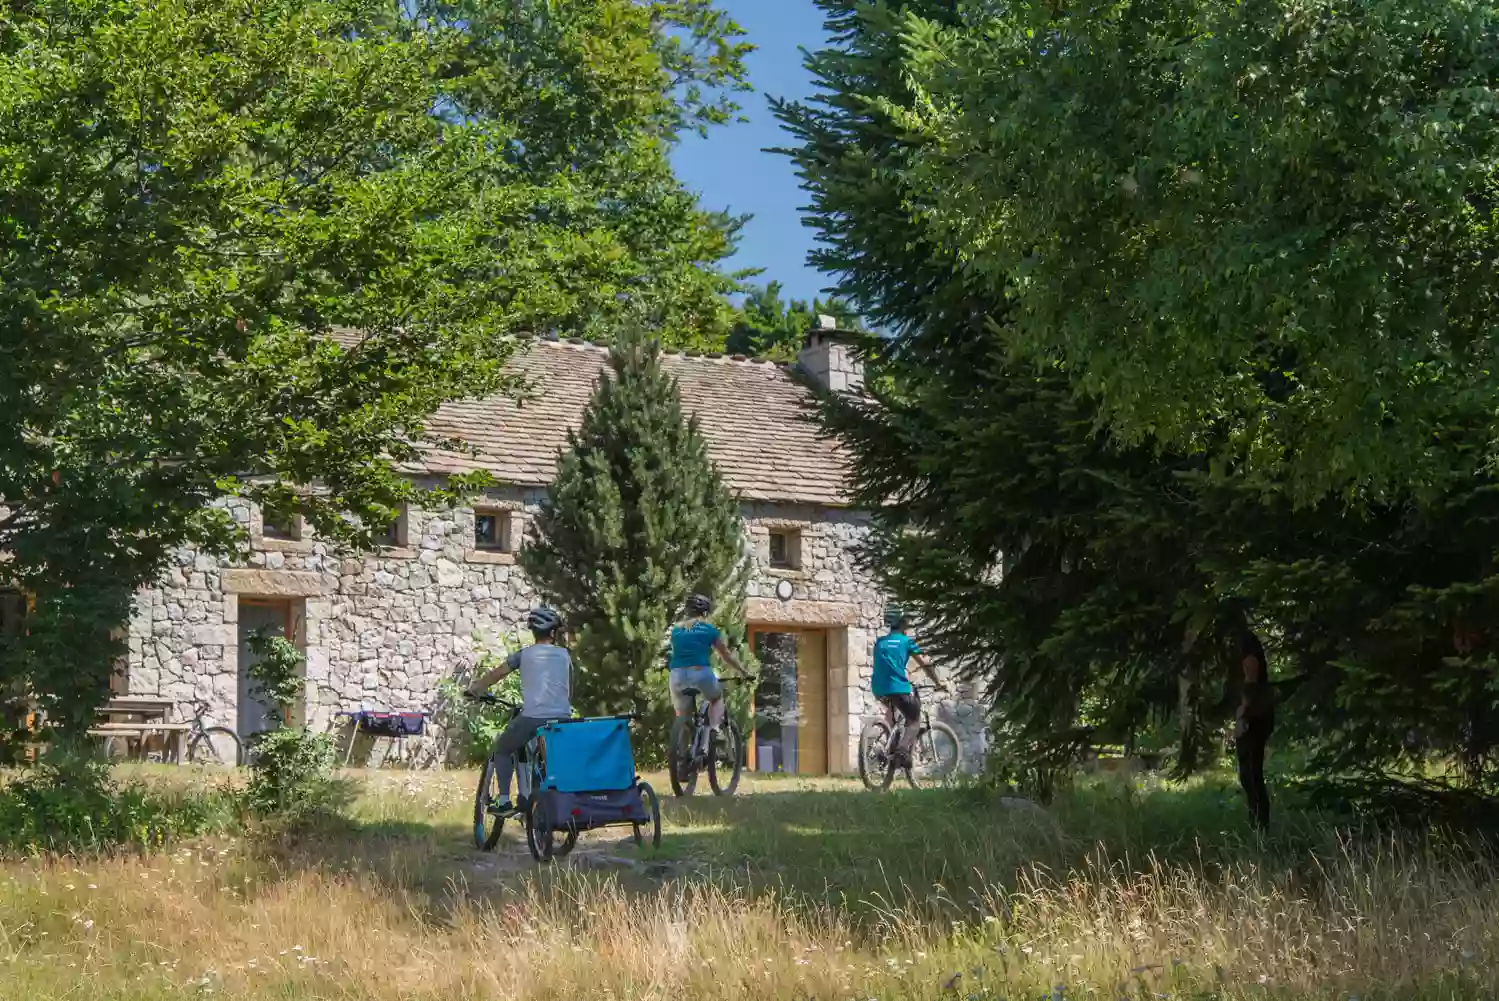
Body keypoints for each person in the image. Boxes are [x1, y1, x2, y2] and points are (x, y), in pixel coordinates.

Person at [465, 606, 572, 812]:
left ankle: (504, 800)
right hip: (562, 718)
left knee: (502, 749)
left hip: (533, 718)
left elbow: (497, 674)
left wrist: (476, 688)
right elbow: (569, 689)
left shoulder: (524, 655)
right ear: (553, 633)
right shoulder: (565, 655)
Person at [872, 607, 946, 766]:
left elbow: (886, 664)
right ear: (903, 623)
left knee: (895, 715)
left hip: (878, 689)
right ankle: (902, 752)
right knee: (914, 719)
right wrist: (938, 683)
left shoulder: (880, 642)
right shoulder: (906, 642)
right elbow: (924, 663)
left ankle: (888, 749)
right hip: (898, 688)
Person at [667, 593, 744, 737]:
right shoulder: (708, 630)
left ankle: (682, 754)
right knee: (716, 698)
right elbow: (725, 655)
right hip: (700, 672)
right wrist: (742, 671)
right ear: (705, 612)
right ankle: (715, 731)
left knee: (683, 717)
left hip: (676, 675)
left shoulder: (676, 631)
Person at [1234, 630, 1275, 831]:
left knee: (1250, 774)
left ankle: (1260, 827)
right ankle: (1258, 825)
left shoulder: (1245, 643)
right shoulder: (1247, 642)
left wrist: (1242, 715)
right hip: (1257, 717)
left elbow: (1251, 671)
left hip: (1254, 719)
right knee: (1250, 775)